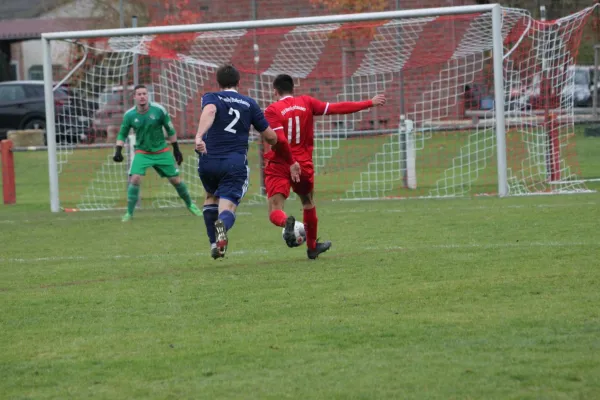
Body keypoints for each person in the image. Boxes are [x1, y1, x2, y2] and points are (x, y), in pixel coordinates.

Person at [264, 74, 386, 259]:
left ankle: (287, 222)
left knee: (275, 208)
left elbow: (280, 140)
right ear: (292, 89)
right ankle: (312, 247)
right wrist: (369, 102)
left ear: (275, 91)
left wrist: (290, 163)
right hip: (303, 164)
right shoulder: (306, 102)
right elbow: (337, 108)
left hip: (281, 163)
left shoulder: (272, 110)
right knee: (307, 203)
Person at [195, 65, 299, 259]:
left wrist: (199, 136)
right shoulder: (249, 104)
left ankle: (214, 244)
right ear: (239, 82)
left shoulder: (211, 97)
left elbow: (209, 111)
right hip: (234, 163)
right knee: (227, 208)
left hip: (208, 160)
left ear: (218, 83)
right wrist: (276, 141)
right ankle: (223, 226)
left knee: (210, 197)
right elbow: (269, 136)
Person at [112, 84, 201, 222]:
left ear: (148, 96)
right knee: (134, 178)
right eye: (139, 94)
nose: (142, 96)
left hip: (161, 150)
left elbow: (170, 130)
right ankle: (129, 213)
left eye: (144, 94)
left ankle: (190, 205)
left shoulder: (159, 110)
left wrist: (176, 149)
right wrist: (118, 150)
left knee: (175, 180)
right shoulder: (129, 115)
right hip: (142, 152)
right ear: (134, 97)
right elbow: (122, 134)